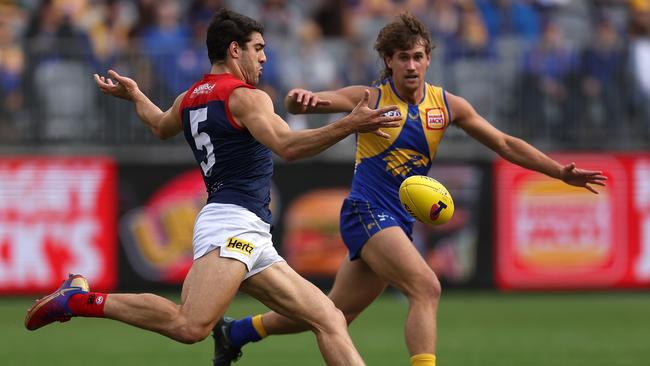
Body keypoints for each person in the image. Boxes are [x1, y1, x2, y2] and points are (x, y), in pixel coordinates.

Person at [214, 12, 608, 366]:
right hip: (366, 212)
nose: (411, 65)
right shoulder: (371, 98)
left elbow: (504, 143)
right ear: (389, 61)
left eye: (418, 56)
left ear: (429, 60)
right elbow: (308, 104)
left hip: (396, 222)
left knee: (333, 314)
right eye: (402, 57)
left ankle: (238, 332)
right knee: (426, 287)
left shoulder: (447, 105)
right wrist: (302, 101)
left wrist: (558, 171)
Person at [23, 9, 403, 366]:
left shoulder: (190, 97)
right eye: (259, 49)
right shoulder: (247, 97)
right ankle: (80, 300)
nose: (265, 58)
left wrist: (136, 96)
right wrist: (349, 124)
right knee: (189, 326)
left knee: (328, 317)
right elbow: (288, 146)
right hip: (232, 224)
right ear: (235, 49)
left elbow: (158, 125)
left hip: (247, 229)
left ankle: (80, 299)